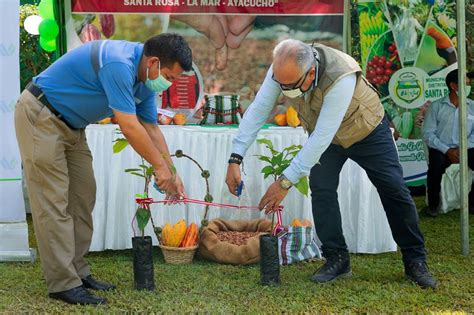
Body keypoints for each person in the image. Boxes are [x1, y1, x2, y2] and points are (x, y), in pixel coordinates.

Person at [225, 39, 437, 289]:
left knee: (394, 190)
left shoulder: (341, 75)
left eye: (291, 86)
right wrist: (235, 157)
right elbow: (259, 109)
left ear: (311, 72)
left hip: (367, 131)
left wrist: (284, 182)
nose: (285, 91)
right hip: (325, 137)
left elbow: (323, 136)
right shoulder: (283, 69)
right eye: (281, 84)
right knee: (322, 190)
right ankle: (336, 258)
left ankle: (415, 260)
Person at [14, 33, 192, 305]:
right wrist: (159, 167)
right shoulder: (118, 63)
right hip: (41, 115)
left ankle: (77, 271)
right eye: (169, 75)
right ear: (153, 62)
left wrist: (171, 171)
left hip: (73, 127)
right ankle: (63, 283)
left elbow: (151, 128)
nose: (169, 83)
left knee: (83, 196)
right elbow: (129, 125)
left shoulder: (145, 80)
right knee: (54, 201)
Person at [422, 69, 474, 217]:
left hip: (467, 148)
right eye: (465, 84)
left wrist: (463, 148)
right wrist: (447, 151)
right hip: (441, 148)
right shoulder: (436, 106)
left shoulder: (472, 106)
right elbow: (427, 134)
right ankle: (433, 205)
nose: (468, 87)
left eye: (469, 84)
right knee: (435, 167)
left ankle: (472, 203)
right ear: (453, 85)